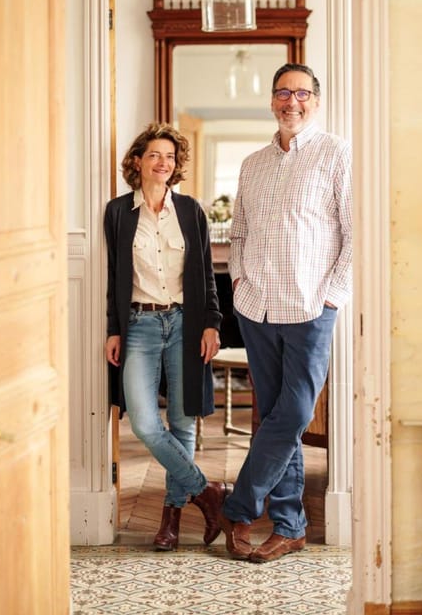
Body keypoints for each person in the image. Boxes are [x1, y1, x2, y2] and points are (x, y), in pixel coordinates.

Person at [219, 63, 352, 563]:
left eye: (301, 93)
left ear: (316, 100)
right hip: (257, 305)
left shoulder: (338, 153)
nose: (290, 101)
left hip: (311, 306)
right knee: (278, 417)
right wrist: (240, 285)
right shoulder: (252, 163)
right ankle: (290, 525)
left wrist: (331, 297)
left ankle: (236, 506)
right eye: (282, 92)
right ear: (272, 101)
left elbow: (358, 233)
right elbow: (239, 232)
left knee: (294, 411)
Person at [104, 121, 231, 552]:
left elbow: (207, 277)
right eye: (155, 155)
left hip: (185, 323)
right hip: (139, 324)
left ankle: (172, 517)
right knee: (142, 421)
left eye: (171, 157)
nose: (163, 163)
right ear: (138, 161)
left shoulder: (191, 210)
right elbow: (113, 278)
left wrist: (212, 322)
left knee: (181, 422)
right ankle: (208, 492)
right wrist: (113, 330)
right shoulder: (118, 212)